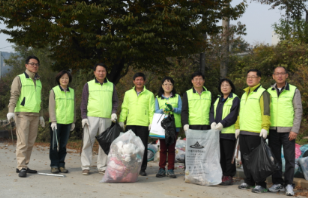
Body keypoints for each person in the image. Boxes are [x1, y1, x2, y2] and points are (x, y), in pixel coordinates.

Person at [7, 55, 45, 178]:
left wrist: (41, 115)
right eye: (32, 63)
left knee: (30, 142)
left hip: (35, 114)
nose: (35, 66)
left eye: (36, 64)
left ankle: (25, 165)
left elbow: (39, 99)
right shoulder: (19, 78)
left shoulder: (38, 80)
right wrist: (10, 111)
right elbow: (14, 95)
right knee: (23, 141)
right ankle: (21, 166)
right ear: (26, 65)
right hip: (22, 113)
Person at [267, 66, 302, 196]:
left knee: (289, 159)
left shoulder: (294, 90)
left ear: (286, 75)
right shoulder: (268, 91)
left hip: (288, 131)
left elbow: (298, 111)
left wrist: (295, 129)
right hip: (273, 130)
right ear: (273, 76)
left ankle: (288, 184)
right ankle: (277, 183)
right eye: (277, 73)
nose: (280, 76)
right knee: (275, 159)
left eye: (282, 73)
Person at [235, 69, 270, 193]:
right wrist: (237, 126)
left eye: (253, 77)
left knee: (257, 159)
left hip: (256, 132)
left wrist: (265, 127)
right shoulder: (244, 94)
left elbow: (266, 111)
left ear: (259, 78)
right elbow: (240, 112)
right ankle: (249, 180)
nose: (250, 79)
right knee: (245, 158)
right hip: (244, 131)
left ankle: (261, 183)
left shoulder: (263, 93)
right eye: (248, 76)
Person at [80, 63, 118, 175]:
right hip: (91, 117)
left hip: (106, 117)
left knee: (104, 143)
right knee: (87, 141)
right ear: (94, 72)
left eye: (103, 71)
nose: (101, 73)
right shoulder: (88, 85)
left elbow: (115, 101)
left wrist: (114, 112)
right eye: (99, 71)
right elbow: (83, 102)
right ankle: (85, 166)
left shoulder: (111, 85)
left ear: (106, 72)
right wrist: (84, 117)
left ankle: (102, 166)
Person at [119, 72, 155, 176]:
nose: (139, 81)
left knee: (142, 147)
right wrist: (122, 120)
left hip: (143, 124)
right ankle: (130, 167)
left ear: (144, 81)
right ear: (134, 81)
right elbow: (124, 107)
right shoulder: (128, 93)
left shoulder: (149, 94)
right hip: (130, 123)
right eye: (137, 80)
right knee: (129, 147)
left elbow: (151, 110)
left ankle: (142, 169)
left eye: (141, 80)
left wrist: (151, 122)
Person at [210, 78, 240, 185]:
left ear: (231, 87)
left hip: (228, 132)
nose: (224, 87)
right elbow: (211, 112)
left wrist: (222, 123)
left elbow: (233, 114)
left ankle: (229, 175)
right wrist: (212, 122)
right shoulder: (218, 99)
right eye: (222, 85)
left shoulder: (235, 99)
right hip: (217, 133)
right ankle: (221, 174)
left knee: (228, 156)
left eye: (227, 85)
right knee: (220, 155)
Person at [154, 77, 182, 178]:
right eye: (165, 84)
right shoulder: (158, 98)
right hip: (162, 126)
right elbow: (155, 110)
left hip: (174, 126)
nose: (167, 86)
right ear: (162, 86)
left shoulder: (177, 97)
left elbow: (181, 110)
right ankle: (161, 169)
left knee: (171, 148)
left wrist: (173, 109)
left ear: (172, 86)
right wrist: (162, 110)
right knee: (162, 149)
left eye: (170, 84)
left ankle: (170, 169)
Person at [48, 70, 75, 174]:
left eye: (66, 78)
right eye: (62, 78)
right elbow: (51, 107)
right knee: (54, 144)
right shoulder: (54, 91)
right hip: (56, 122)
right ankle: (54, 165)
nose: (64, 80)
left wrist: (73, 121)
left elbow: (73, 108)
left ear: (69, 80)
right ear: (59, 79)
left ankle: (61, 165)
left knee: (63, 145)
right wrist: (53, 121)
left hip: (67, 122)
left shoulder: (72, 91)